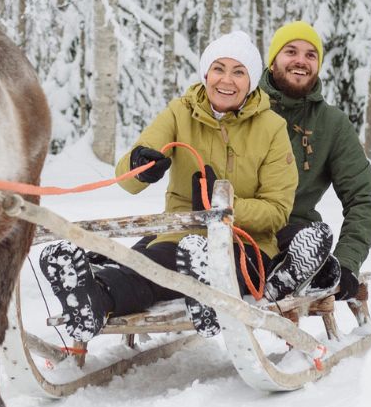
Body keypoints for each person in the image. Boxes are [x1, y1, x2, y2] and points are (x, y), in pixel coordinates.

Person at [37, 31, 334, 342]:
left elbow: (277, 210)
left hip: (246, 244)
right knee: (149, 271)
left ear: (251, 81)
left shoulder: (272, 128)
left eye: (238, 72)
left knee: (209, 263)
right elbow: (128, 179)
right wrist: (141, 165)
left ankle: (207, 290)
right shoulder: (181, 113)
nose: (227, 81)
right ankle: (94, 300)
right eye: (219, 69)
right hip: (182, 237)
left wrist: (223, 210)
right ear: (206, 73)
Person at [260, 20, 371, 302]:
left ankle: (301, 271)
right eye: (291, 51)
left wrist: (348, 261)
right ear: (273, 60)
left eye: (310, 55)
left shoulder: (331, 124)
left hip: (297, 241)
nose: (300, 61)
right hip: (241, 231)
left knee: (309, 241)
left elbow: (363, 198)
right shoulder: (245, 108)